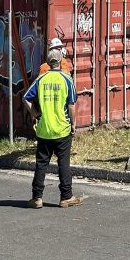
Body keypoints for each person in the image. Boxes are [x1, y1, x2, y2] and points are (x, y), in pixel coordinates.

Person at [22, 47, 83, 209]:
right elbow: (71, 106)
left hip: (44, 129)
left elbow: (25, 98)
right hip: (62, 129)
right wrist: (73, 124)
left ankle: (37, 198)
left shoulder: (41, 79)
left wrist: (35, 113)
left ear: (48, 63)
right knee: (63, 162)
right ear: (61, 61)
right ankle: (66, 197)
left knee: (41, 163)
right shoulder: (66, 80)